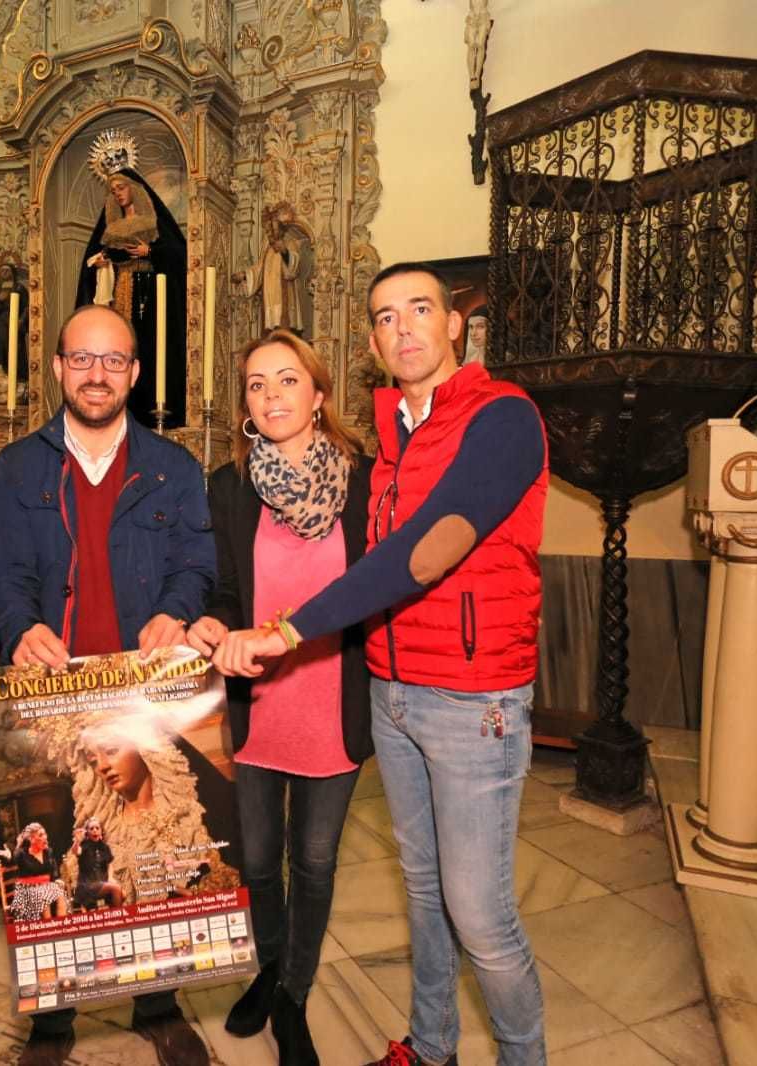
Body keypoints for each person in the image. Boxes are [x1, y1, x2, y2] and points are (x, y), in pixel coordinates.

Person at [217, 263, 550, 1066]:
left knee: (482, 914)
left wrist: (289, 631)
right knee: (427, 897)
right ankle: (431, 1049)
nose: (403, 328)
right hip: (396, 695)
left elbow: (423, 555)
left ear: (454, 326)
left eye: (419, 310)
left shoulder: (502, 418)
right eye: (385, 317)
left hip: (473, 702)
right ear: (371, 341)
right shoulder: (399, 438)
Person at [0, 302, 215, 1066]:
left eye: (114, 360)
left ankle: (159, 1001)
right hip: (55, 698)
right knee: (60, 858)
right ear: (57, 367)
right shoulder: (19, 466)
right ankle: (53, 1018)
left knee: (151, 847)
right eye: (82, 358)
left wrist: (176, 611)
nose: (97, 374)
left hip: (140, 694)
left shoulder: (172, 467)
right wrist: (19, 627)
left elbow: (197, 562)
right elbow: (2, 570)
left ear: (135, 373)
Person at [185, 330, 373, 1066]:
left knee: (315, 859)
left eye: (287, 380)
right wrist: (214, 622)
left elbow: (378, 584)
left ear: (320, 394)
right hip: (259, 701)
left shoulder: (364, 481)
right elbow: (228, 587)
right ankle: (269, 965)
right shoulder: (229, 485)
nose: (271, 397)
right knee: (259, 859)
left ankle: (293, 992)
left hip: (333, 697)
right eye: (257, 385)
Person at [69, 716, 238, 902]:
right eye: (93, 761)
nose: (102, 766)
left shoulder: (191, 816)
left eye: (111, 750)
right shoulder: (103, 832)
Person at [75, 166, 187, 426]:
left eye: (121, 188)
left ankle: (150, 414)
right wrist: (103, 263)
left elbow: (179, 254)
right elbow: (93, 261)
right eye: (113, 191)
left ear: (135, 189)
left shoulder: (155, 220)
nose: (118, 194)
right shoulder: (111, 225)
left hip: (149, 295)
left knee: (148, 349)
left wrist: (150, 251)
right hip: (119, 295)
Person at [234, 204, 305, 334]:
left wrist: (284, 251)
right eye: (268, 230)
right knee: (270, 330)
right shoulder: (266, 248)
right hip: (269, 297)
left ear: (281, 228)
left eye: (273, 228)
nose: (271, 232)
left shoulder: (290, 242)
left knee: (283, 328)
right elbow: (259, 269)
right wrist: (245, 275)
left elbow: (293, 268)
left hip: (284, 296)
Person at [5, 823, 70, 920]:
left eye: (45, 834)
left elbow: (53, 870)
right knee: (43, 897)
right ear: (32, 839)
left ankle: (61, 926)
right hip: (26, 890)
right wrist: (9, 857)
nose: (45, 837)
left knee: (60, 894)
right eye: (40, 835)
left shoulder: (48, 852)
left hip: (46, 887)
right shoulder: (22, 854)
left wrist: (56, 879)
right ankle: (47, 928)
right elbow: (13, 861)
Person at [68, 817, 123, 909]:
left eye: (97, 828)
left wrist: (110, 878)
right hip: (87, 885)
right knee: (116, 889)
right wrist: (77, 841)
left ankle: (111, 919)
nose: (95, 830)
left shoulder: (105, 847)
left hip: (102, 882)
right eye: (91, 828)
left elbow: (109, 864)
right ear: (87, 833)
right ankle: (119, 918)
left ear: (101, 831)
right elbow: (76, 851)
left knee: (123, 894)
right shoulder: (84, 845)